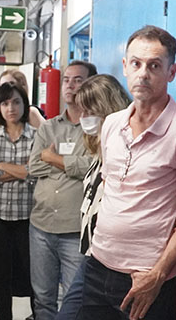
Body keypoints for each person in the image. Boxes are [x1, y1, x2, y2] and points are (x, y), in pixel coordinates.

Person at [79, 25, 176, 320]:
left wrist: (158, 274)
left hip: (146, 277)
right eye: (136, 64)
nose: (143, 73)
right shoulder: (111, 124)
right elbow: (111, 188)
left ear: (171, 72)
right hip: (98, 264)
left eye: (154, 66)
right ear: (125, 67)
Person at [55, 74, 131, 320]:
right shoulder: (99, 149)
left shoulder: (126, 149)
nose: (84, 117)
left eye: (91, 110)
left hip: (121, 262)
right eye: (82, 110)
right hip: (92, 257)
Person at [27, 60, 96, 320]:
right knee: (42, 299)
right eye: (66, 79)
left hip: (74, 230)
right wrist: (71, 166)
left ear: (91, 84)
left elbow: (93, 168)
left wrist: (54, 159)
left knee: (72, 300)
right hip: (41, 225)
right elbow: (34, 165)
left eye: (78, 79)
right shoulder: (48, 127)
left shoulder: (97, 129)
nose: (70, 85)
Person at [0, 83, 37, 320]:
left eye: (16, 102)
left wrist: (2, 166)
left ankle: (38, 315)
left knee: (33, 272)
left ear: (24, 104)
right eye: (5, 103)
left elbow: (37, 172)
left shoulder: (37, 136)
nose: (11, 108)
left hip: (27, 215)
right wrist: (22, 171)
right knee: (0, 273)